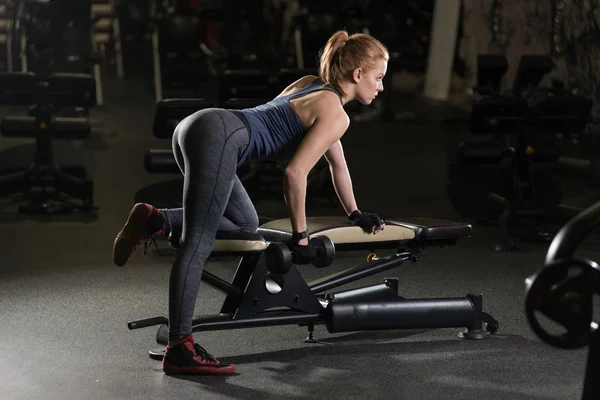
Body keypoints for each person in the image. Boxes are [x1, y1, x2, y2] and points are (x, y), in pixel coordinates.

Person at [113, 30, 388, 375]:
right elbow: (294, 173)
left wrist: (356, 213)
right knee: (198, 240)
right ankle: (180, 347)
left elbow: (338, 164)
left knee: (244, 224)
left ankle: (158, 220)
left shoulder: (311, 86)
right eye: (378, 78)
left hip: (199, 127)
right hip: (218, 136)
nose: (380, 87)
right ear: (358, 75)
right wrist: (300, 236)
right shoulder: (336, 114)